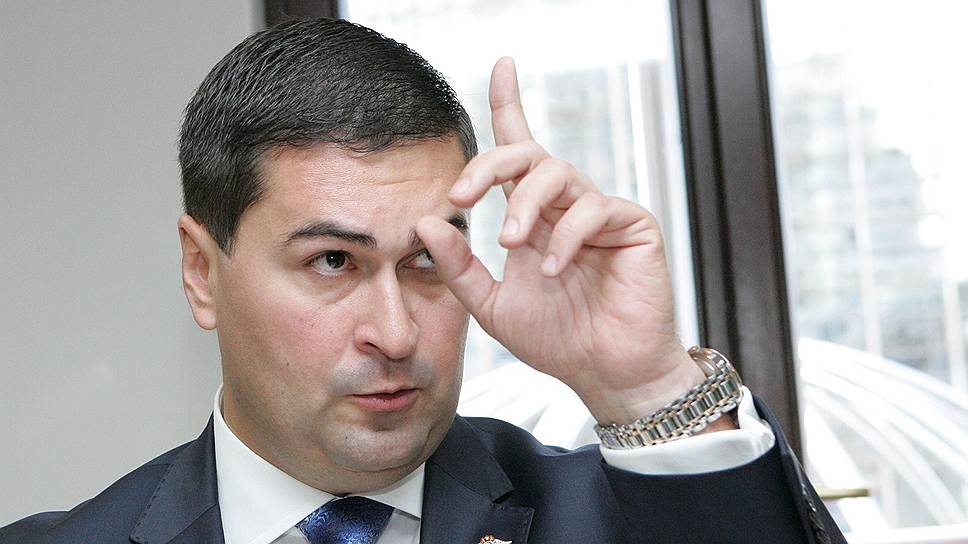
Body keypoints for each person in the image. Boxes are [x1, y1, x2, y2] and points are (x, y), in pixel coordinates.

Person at [0, 17, 844, 544]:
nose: (397, 334)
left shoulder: (621, 517)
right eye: (333, 262)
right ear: (201, 272)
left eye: (427, 261)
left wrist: (647, 388)